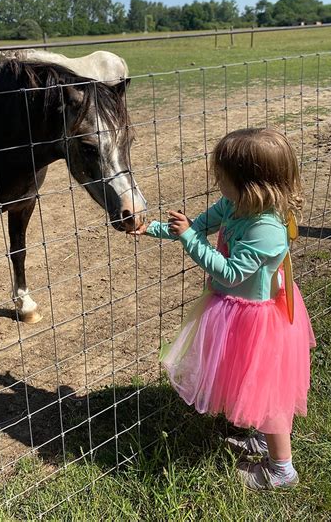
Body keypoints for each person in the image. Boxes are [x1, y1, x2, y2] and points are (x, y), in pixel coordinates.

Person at [131, 127, 315, 490]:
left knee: (270, 394)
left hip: (258, 318)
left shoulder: (266, 230)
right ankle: (262, 440)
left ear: (249, 183)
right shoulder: (235, 204)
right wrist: (149, 228)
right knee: (252, 383)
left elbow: (229, 273)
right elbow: (195, 226)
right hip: (236, 312)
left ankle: (282, 471)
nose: (218, 184)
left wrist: (189, 241)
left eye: (223, 178)